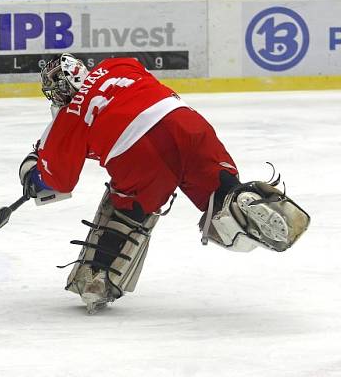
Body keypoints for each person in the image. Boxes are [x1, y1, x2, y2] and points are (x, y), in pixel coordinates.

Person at [18, 54, 310, 314]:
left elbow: (59, 181)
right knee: (218, 194)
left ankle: (98, 276)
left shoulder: (69, 119)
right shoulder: (118, 64)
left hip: (136, 149)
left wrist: (34, 174)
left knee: (127, 207)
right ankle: (242, 200)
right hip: (184, 123)